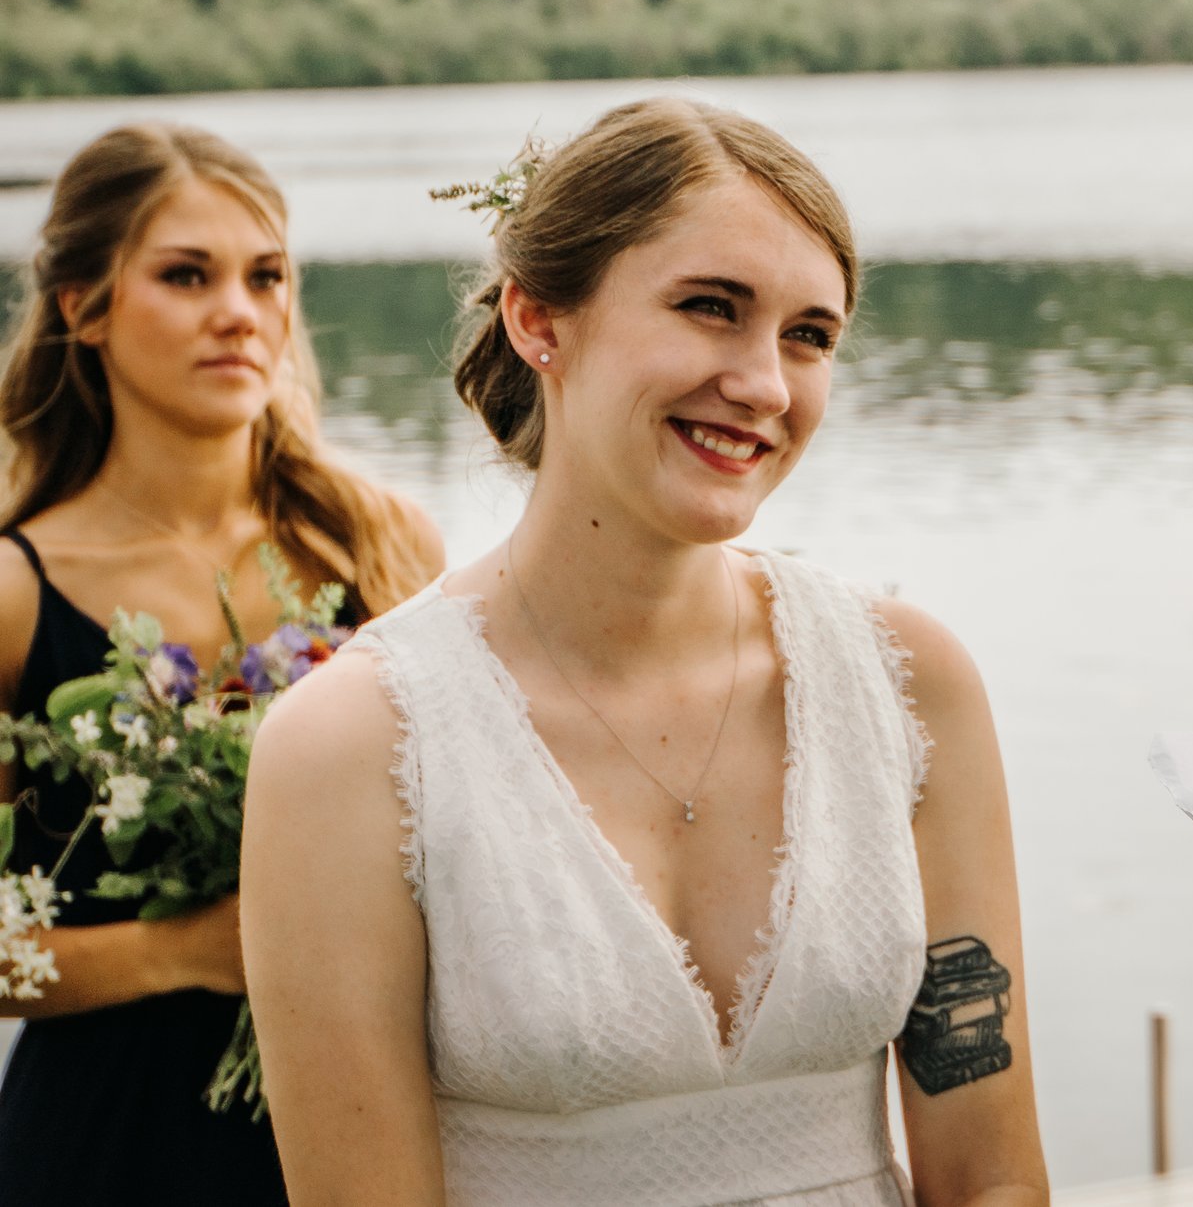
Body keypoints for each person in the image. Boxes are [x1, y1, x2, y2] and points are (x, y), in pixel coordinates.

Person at [241, 98, 1047, 1207]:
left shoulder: (910, 684)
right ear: (540, 321)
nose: (765, 385)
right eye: (710, 309)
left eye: (808, 335)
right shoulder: (349, 746)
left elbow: (992, 1182)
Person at [0, 123, 442, 1204]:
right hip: (102, 1146)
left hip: (360, 1125)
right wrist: (190, 950)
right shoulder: (14, 591)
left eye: (265, 275)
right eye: (187, 276)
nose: (238, 313)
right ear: (85, 307)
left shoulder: (380, 542)